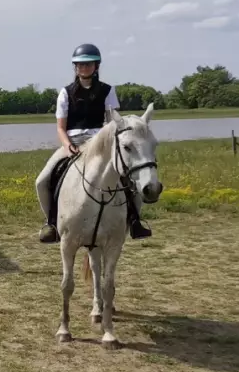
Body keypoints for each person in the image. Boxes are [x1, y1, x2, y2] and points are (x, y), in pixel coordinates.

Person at [34, 43, 151, 244]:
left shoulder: (107, 90)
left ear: (96, 66)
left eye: (88, 64)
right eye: (80, 65)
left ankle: (134, 220)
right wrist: (67, 144)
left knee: (130, 177)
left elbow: (113, 121)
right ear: (75, 67)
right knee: (42, 181)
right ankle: (52, 223)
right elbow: (61, 127)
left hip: (100, 142)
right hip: (73, 142)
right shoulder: (66, 92)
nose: (84, 68)